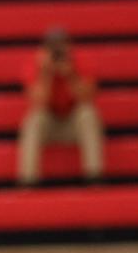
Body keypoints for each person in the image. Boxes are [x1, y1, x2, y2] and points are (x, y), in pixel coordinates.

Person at [16, 27, 104, 186]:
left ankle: (94, 176)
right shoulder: (34, 64)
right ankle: (28, 181)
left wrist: (71, 75)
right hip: (49, 124)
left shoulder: (82, 61)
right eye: (52, 47)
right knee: (34, 119)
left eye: (61, 46)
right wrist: (46, 73)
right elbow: (38, 102)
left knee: (88, 114)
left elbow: (88, 97)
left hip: (74, 123)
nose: (57, 53)